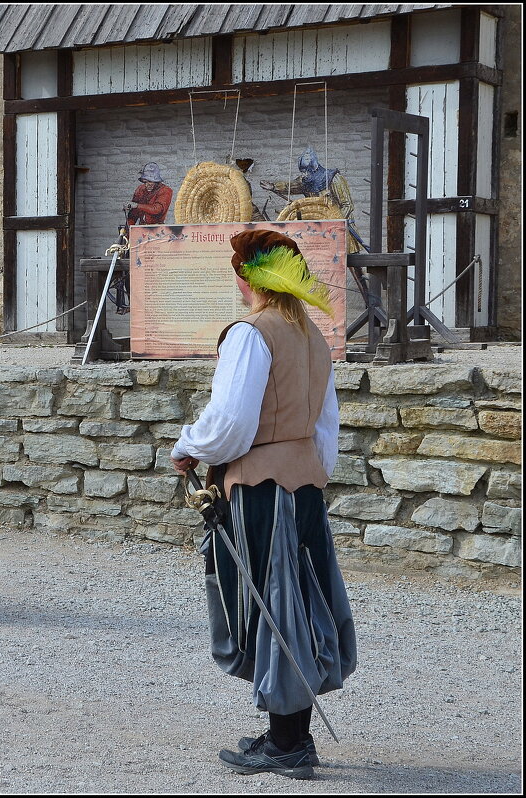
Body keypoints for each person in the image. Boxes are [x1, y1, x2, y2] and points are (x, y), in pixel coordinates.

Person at [170, 229, 357, 779]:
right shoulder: (313, 338)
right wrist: (310, 473)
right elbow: (327, 431)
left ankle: (287, 744)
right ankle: (291, 734)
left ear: (247, 279)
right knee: (295, 603)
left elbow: (230, 422)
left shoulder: (251, 335)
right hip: (302, 488)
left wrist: (187, 446)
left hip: (260, 489)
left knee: (274, 607)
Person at [261, 146, 365, 253]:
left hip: (339, 228)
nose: (304, 174)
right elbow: (290, 186)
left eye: (306, 171)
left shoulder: (334, 178)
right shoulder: (305, 181)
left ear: (314, 169)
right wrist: (273, 186)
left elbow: (347, 205)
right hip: (318, 230)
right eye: (302, 171)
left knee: (351, 260)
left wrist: (332, 222)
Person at [113, 163, 174, 313]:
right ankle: (131, 302)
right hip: (139, 234)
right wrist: (128, 231)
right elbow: (133, 215)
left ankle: (152, 304)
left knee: (152, 272)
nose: (147, 185)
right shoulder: (140, 190)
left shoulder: (166, 191)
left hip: (157, 233)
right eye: (145, 181)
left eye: (150, 182)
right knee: (129, 270)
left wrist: (136, 206)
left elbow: (157, 209)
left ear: (157, 181)